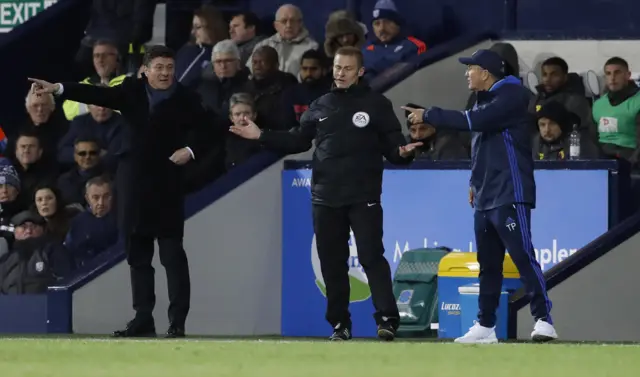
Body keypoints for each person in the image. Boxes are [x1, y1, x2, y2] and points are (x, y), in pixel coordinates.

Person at [230, 46, 422, 341]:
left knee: (372, 257)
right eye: (337, 68)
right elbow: (297, 140)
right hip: (325, 197)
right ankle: (339, 324)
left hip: (363, 196)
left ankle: (386, 320)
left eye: (347, 68)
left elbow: (393, 148)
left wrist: (404, 152)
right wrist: (262, 135)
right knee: (332, 263)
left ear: (360, 72)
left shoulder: (376, 104)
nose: (340, 73)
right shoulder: (319, 105)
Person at [29, 45, 211, 338]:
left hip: (166, 184)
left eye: (169, 67)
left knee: (172, 256)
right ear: (146, 69)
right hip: (132, 182)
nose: (165, 73)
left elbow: (209, 129)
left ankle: (177, 322)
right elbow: (97, 95)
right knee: (137, 255)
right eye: (159, 67)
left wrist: (190, 150)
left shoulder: (187, 98)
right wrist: (59, 88)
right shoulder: (130, 89)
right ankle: (143, 317)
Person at [403, 49, 558, 344]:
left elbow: (474, 122)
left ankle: (543, 320)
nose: (466, 73)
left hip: (511, 191)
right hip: (486, 194)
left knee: (523, 256)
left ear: (486, 73)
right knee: (488, 263)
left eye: (471, 68)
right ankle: (486, 326)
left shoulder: (511, 94)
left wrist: (430, 114)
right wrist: (474, 182)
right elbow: (479, 145)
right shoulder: (482, 99)